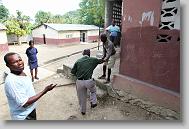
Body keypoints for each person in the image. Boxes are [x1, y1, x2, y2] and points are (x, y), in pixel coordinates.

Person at [4, 52, 57, 120]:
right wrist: (45, 91)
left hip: (30, 111)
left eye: (20, 60)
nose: (20, 63)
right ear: (8, 65)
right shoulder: (12, 81)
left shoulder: (20, 72)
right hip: (23, 117)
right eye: (15, 62)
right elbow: (25, 103)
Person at [71, 49, 104, 115]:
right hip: (89, 81)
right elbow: (101, 61)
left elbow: (72, 72)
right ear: (89, 54)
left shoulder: (78, 61)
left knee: (81, 97)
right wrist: (105, 57)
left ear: (83, 54)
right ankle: (93, 102)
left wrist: (78, 75)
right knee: (93, 91)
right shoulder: (93, 59)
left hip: (79, 82)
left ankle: (83, 111)